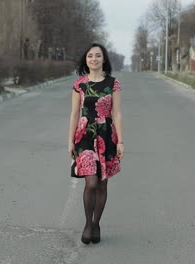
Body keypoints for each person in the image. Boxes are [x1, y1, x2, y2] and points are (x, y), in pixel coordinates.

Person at [68, 43, 124, 245]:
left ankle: (97, 223)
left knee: (102, 183)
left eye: (98, 56)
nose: (94, 59)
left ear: (104, 59)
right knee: (91, 183)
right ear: (86, 59)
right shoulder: (79, 84)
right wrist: (70, 141)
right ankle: (87, 224)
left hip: (107, 136)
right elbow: (75, 113)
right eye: (90, 55)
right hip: (84, 135)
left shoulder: (113, 84)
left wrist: (121, 142)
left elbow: (116, 113)